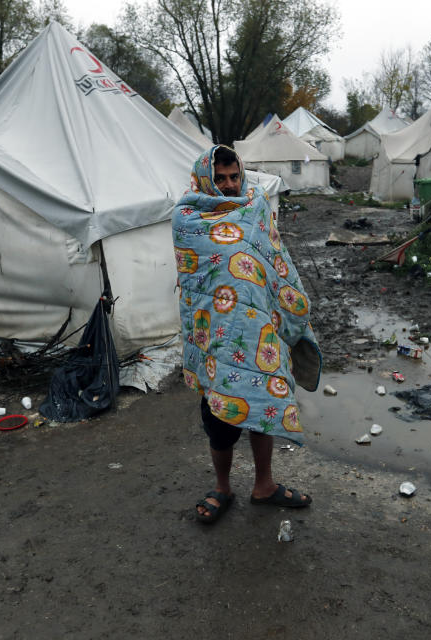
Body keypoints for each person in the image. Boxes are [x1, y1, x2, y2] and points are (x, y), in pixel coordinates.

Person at [172, 144, 322, 524]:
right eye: (219, 178)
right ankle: (223, 487)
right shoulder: (188, 219)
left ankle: (264, 485)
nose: (228, 185)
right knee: (219, 418)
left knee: (261, 407)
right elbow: (195, 280)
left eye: (234, 176)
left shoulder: (256, 210)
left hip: (258, 333)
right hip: (216, 337)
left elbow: (276, 264)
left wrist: (288, 310)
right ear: (205, 177)